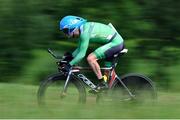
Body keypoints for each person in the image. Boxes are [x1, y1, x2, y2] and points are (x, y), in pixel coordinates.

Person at [59, 15, 124, 92]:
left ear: (73, 27)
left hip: (116, 43)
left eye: (66, 31)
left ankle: (102, 83)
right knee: (107, 72)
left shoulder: (84, 33)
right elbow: (79, 49)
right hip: (114, 43)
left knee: (91, 58)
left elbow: (81, 54)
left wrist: (69, 65)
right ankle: (106, 93)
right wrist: (69, 58)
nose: (67, 35)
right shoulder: (83, 30)